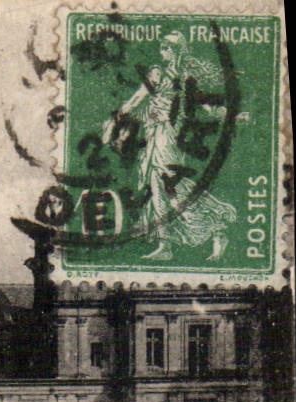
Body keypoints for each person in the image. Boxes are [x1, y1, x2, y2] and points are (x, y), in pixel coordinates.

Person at [103, 31, 241, 262]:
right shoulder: (157, 73)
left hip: (170, 134)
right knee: (157, 187)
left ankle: (217, 222)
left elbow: (206, 105)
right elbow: (137, 99)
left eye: (166, 48)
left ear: (175, 50)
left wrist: (232, 115)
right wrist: (116, 119)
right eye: (161, 47)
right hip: (154, 133)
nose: (162, 51)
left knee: (171, 183)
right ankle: (165, 244)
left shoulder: (186, 77)